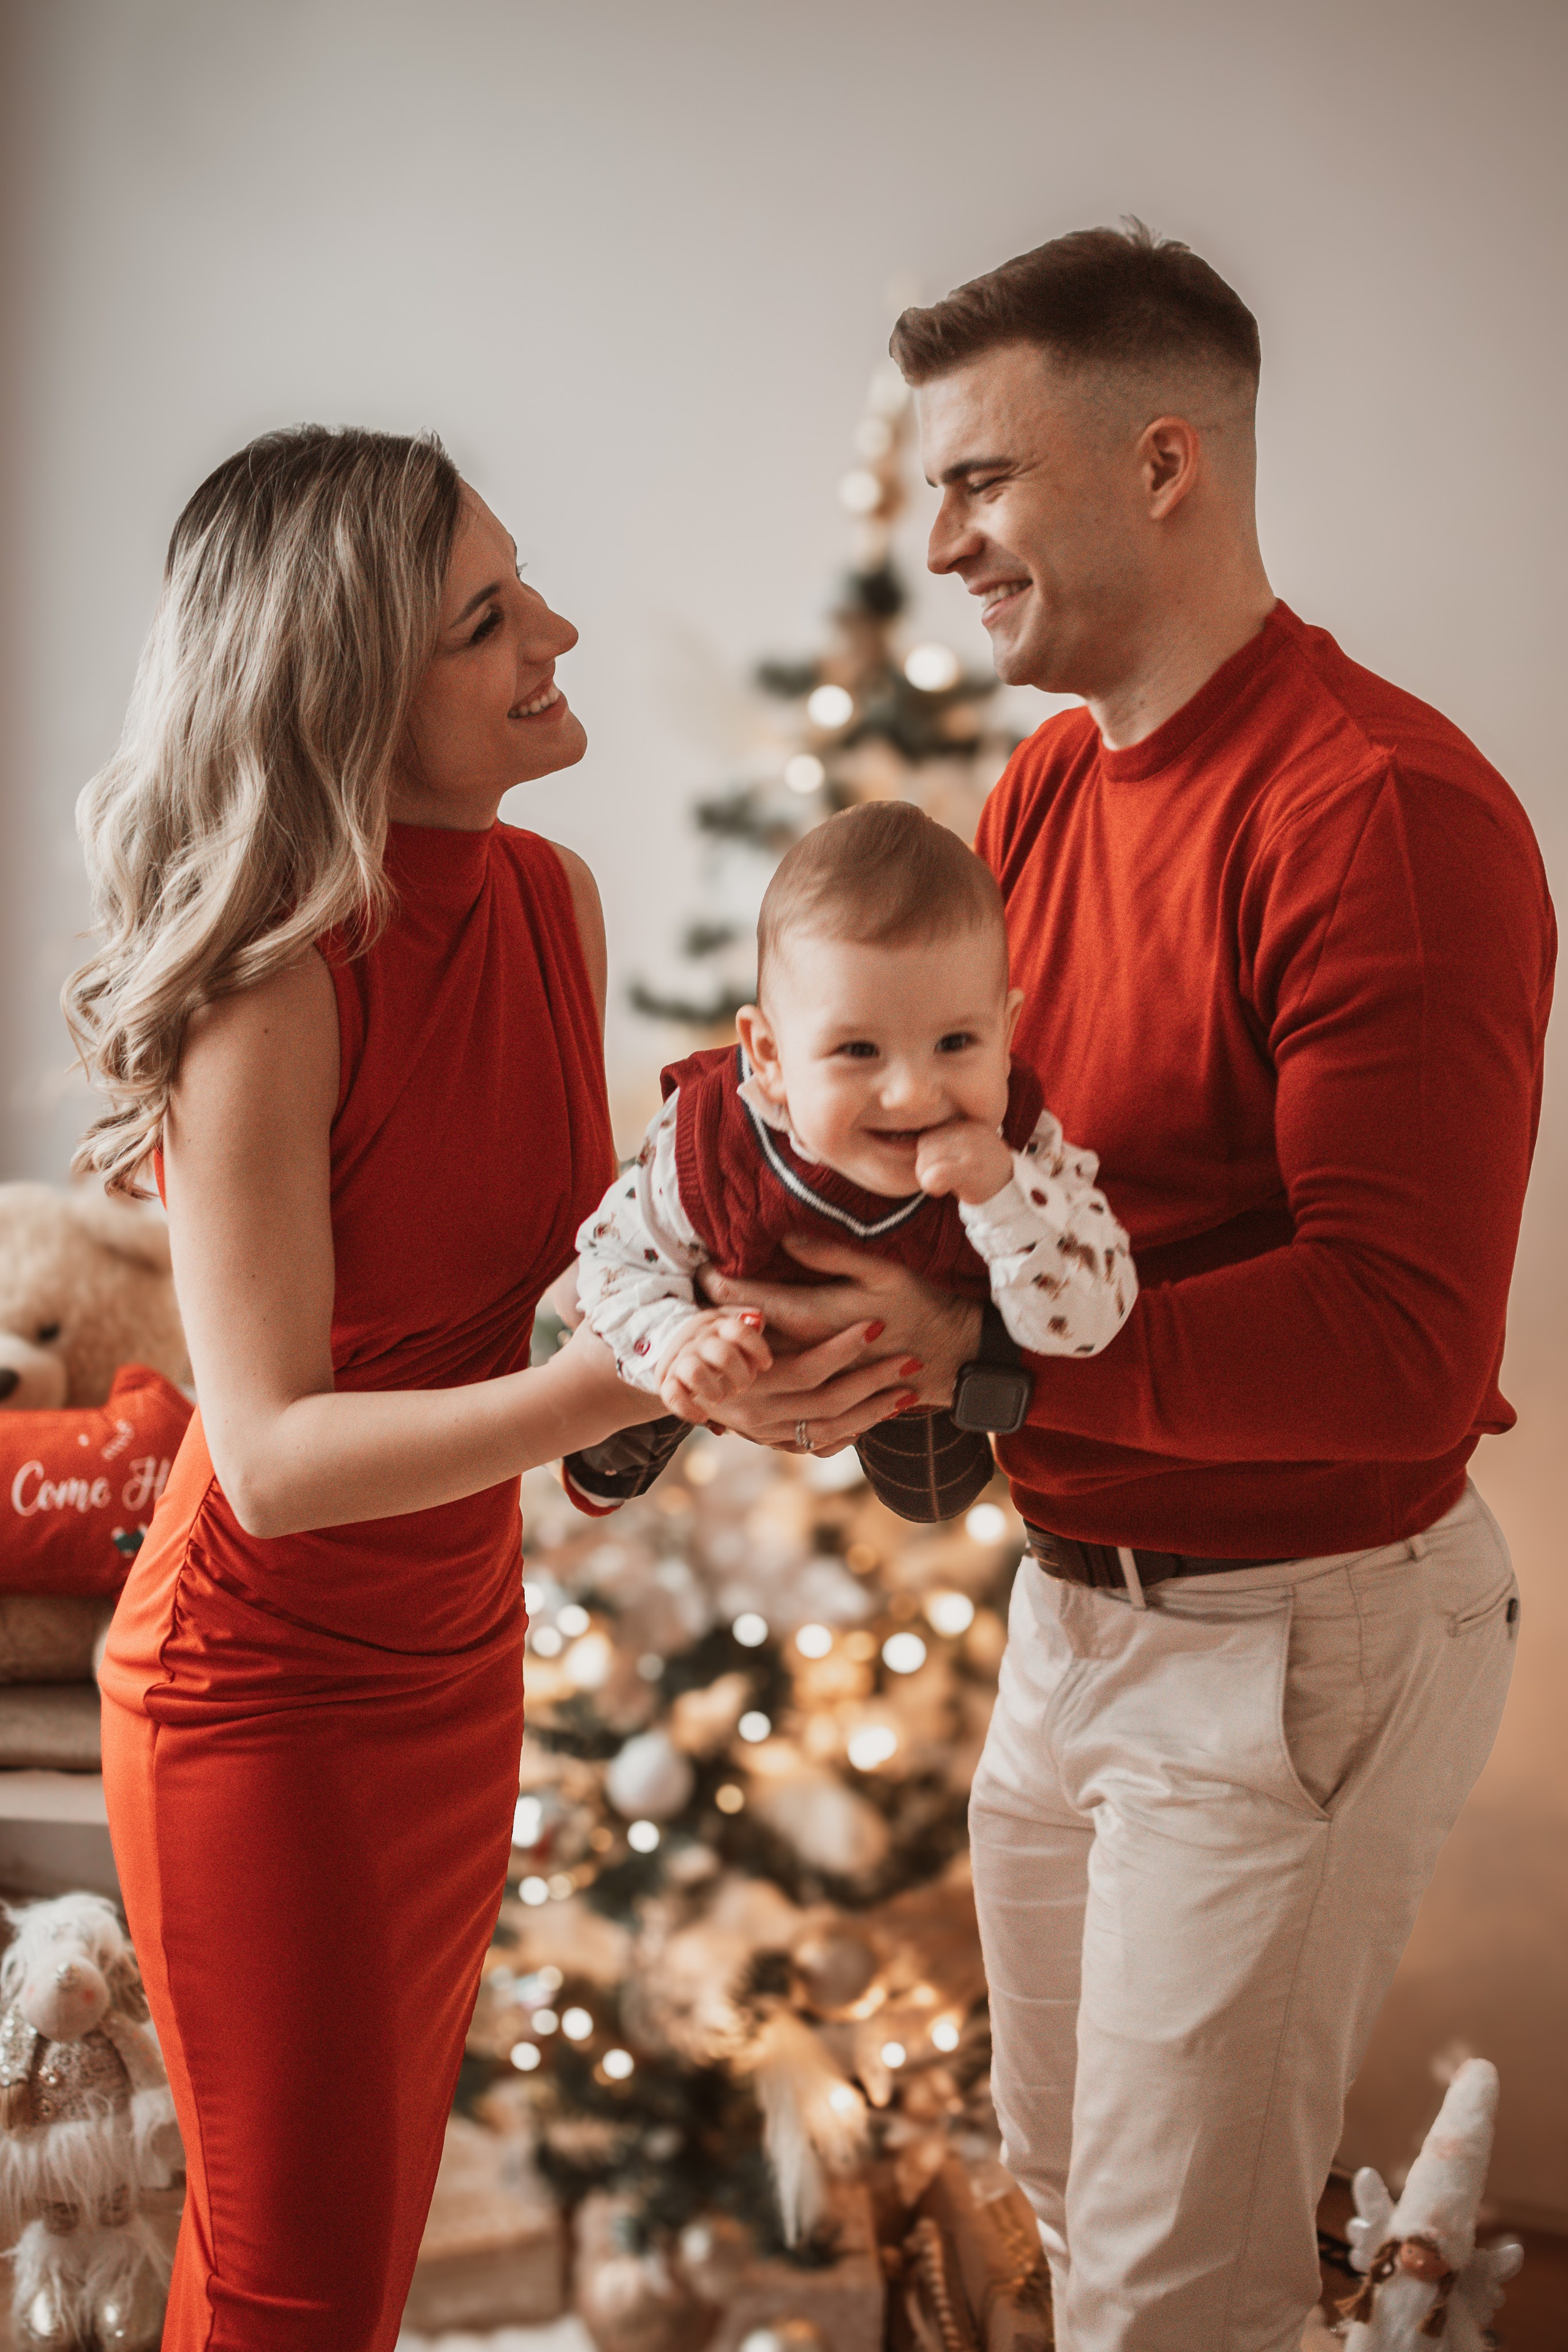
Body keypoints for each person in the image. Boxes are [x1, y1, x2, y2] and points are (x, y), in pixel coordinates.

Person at [698, 225, 1555, 2351]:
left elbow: (1398, 1350)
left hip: (1292, 1637)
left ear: (1162, 463)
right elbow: (994, 1200)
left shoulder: (1384, 814)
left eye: (980, 477)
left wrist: (970, 1363)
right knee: (1082, 2219)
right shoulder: (1044, 791)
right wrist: (771, 1236)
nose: (941, 540)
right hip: (1074, 1607)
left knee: (1175, 2299)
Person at [66, 428, 889, 2352]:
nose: (557, 633)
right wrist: (614, 1377)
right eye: (487, 619)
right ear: (348, 691)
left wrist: (733, 1364)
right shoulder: (271, 990)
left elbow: (559, 1313)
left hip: (455, 1666)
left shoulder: (546, 899)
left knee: (335, 2272)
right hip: (259, 1706)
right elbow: (273, 1459)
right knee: (290, 2292)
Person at [562, 799, 1136, 1522]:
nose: (912, 1093)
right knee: (661, 1344)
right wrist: (679, 1340)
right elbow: (607, 1262)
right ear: (770, 1055)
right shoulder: (709, 1138)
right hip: (725, 1306)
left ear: (1006, 1030)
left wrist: (1005, 1196)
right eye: (858, 1050)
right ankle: (644, 1415)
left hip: (917, 1353)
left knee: (932, 1494)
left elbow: (1092, 1320)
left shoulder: (1023, 1146)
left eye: (956, 1043)